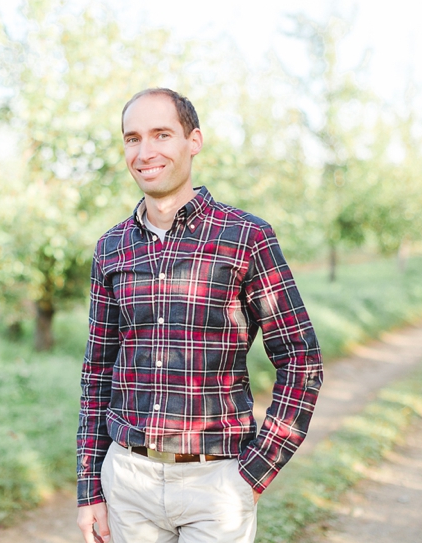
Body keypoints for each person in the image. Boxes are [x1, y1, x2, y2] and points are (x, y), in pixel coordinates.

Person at [76, 87, 323, 543]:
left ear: (194, 140)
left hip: (216, 483)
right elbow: (97, 371)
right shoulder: (111, 247)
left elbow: (300, 358)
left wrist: (256, 469)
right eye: (132, 139)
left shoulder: (245, 237)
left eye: (161, 134)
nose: (145, 152)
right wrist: (90, 487)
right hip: (128, 482)